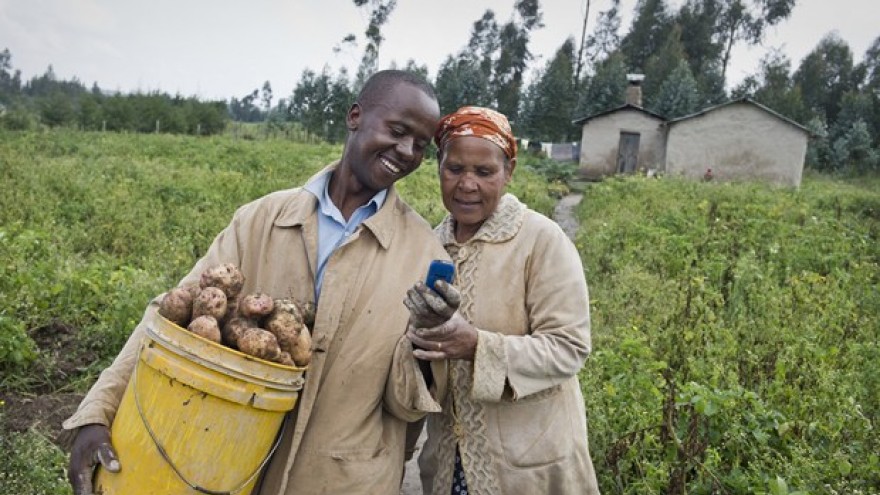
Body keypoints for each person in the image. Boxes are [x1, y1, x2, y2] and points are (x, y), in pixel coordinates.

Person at [62, 69, 450, 495]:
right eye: (397, 131)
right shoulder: (261, 219)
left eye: (421, 145)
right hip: (229, 462)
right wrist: (97, 411)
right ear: (355, 116)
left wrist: (431, 341)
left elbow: (406, 407)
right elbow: (168, 322)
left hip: (343, 481)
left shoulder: (424, 255)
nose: (407, 152)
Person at [403, 106, 601, 494]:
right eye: (455, 168)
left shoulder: (541, 241)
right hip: (448, 464)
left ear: (508, 171)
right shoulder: (428, 245)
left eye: (484, 172)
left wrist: (476, 345)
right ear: (437, 167)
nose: (467, 184)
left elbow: (569, 348)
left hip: (528, 467)